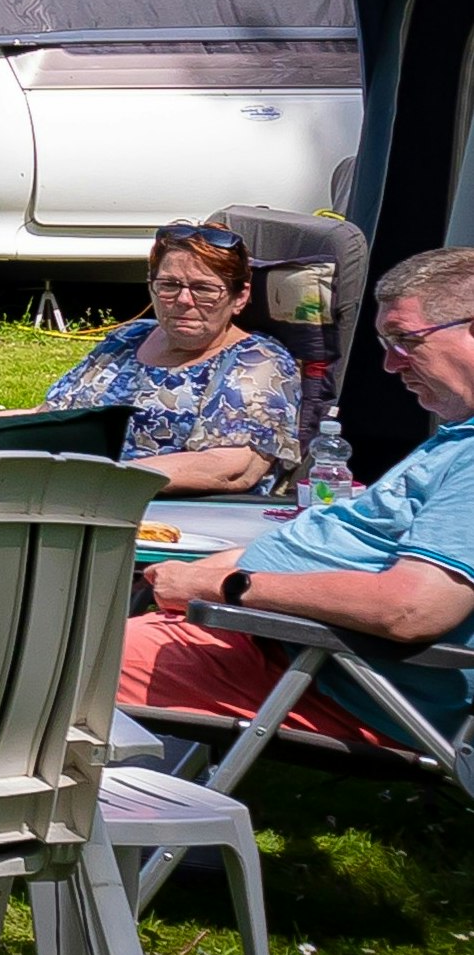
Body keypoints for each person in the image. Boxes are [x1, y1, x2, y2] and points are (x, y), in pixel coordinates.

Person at [124, 239, 474, 757]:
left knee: (39, 665)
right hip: (272, 641)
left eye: (405, 340)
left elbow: (413, 609)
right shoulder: (457, 438)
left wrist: (232, 585)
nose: (390, 365)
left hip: (330, 675)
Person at [41, 219, 316, 500]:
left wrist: (101, 479)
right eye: (169, 285)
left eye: (204, 289)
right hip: (71, 494)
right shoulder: (128, 339)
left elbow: (231, 467)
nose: (184, 300)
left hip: (165, 510)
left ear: (239, 297)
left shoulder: (256, 362)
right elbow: (48, 417)